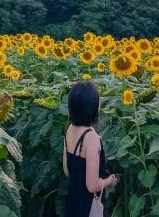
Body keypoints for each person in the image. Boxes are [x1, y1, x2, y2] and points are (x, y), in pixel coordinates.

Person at [62, 81, 119, 216]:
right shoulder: (91, 138)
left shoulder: (69, 129)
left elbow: (67, 171)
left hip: (72, 202)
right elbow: (92, 186)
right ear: (92, 107)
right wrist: (110, 181)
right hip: (87, 207)